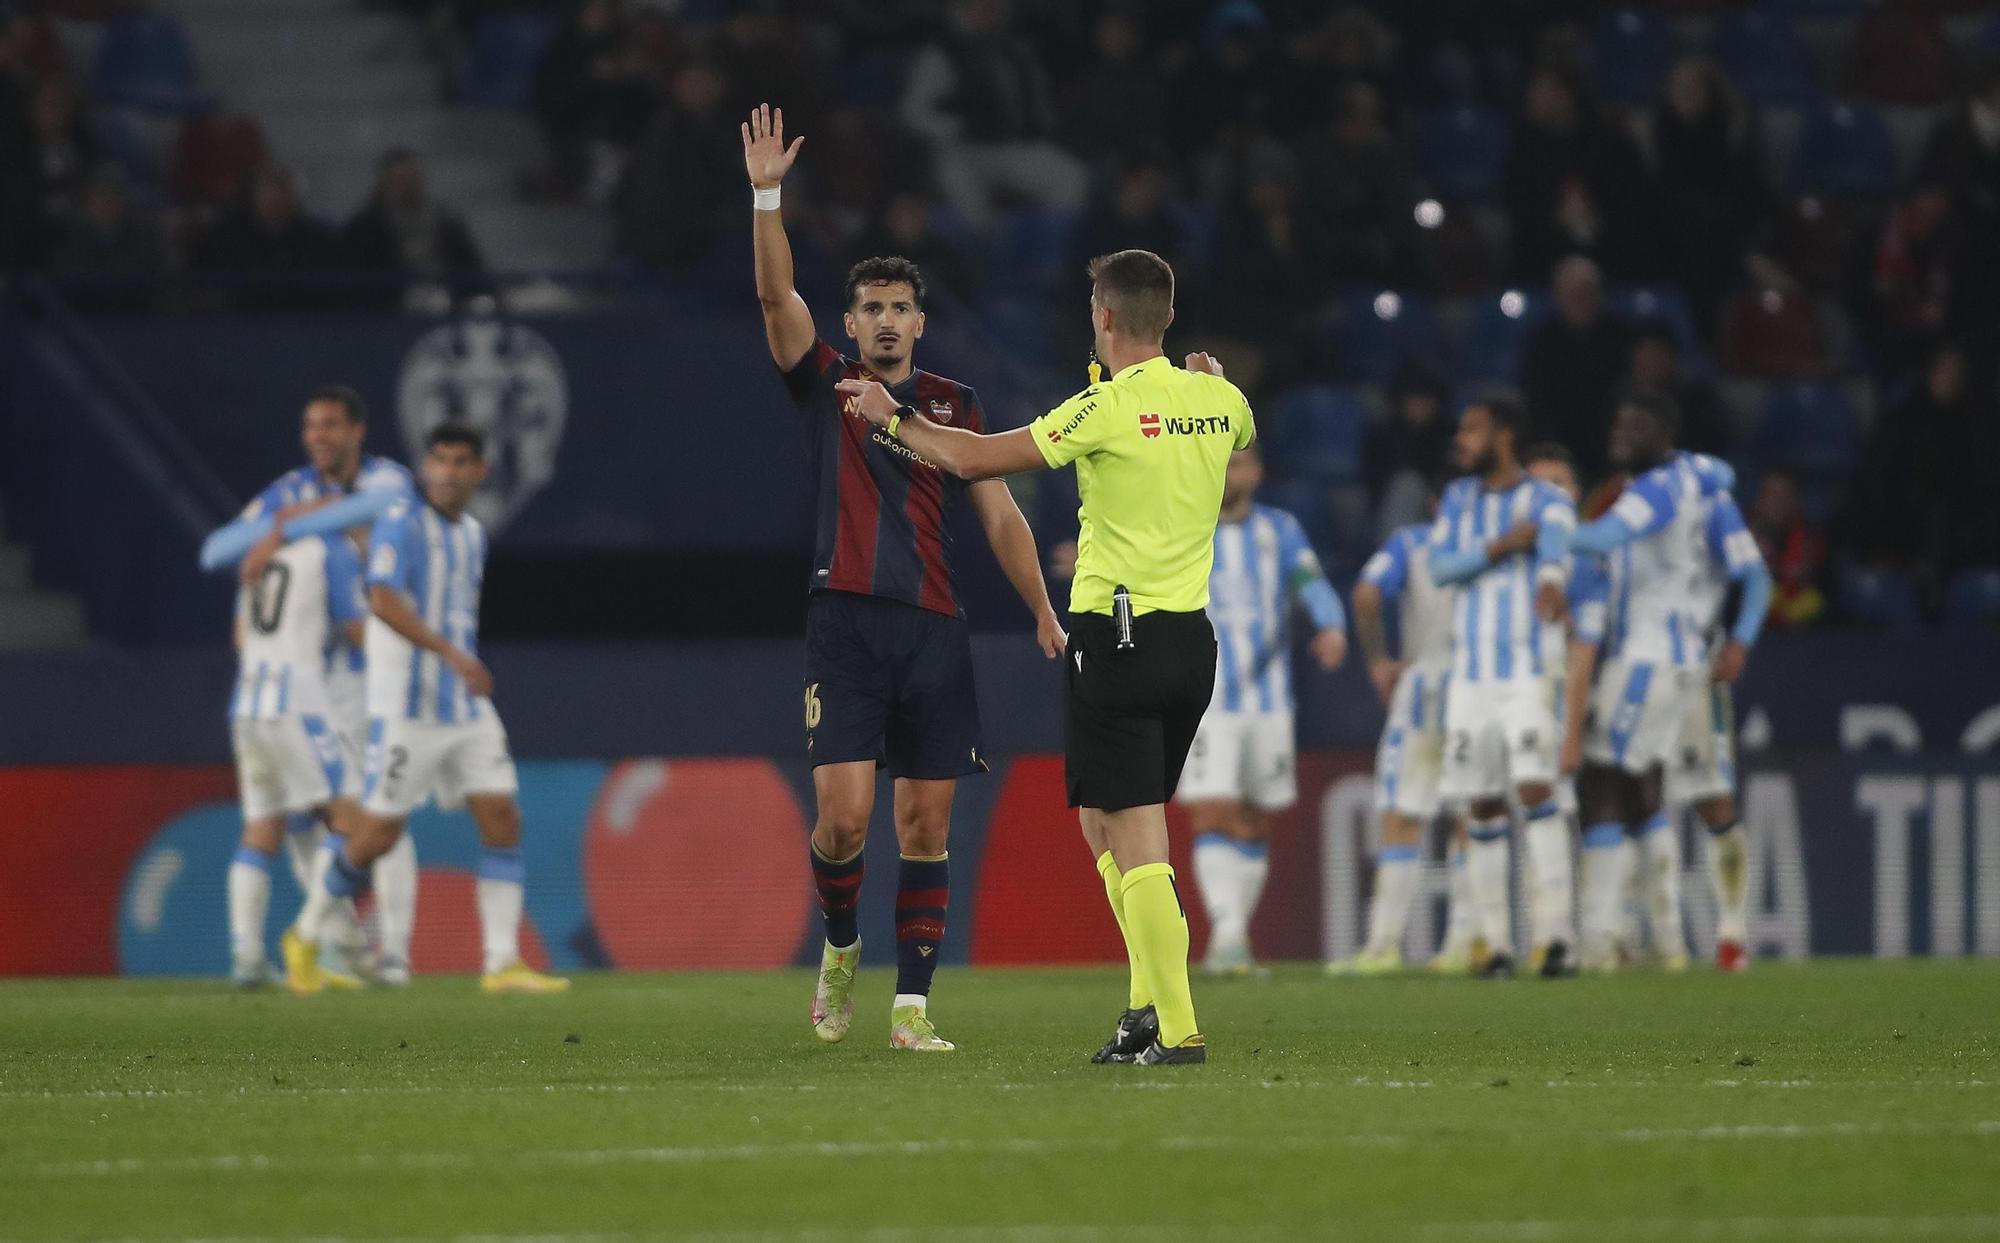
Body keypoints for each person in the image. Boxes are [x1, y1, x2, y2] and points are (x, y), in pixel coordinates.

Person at [837, 247, 1252, 1066]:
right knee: (1104, 819)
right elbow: (1237, 420)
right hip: (1191, 643)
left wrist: (892, 415)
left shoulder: (1099, 409)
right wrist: (1206, 374)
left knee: (1135, 835)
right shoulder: (1221, 398)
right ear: (1166, 318)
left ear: (1101, 318)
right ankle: (1142, 1007)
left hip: (1118, 637)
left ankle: (1179, 1023)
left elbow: (971, 458)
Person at [742, 104, 1065, 1053]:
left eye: (899, 308)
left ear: (920, 322)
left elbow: (1000, 512)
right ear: (851, 322)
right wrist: (768, 195)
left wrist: (1042, 608)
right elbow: (773, 301)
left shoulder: (955, 408)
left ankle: (913, 1011)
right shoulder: (828, 382)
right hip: (844, 623)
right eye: (870, 308)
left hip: (934, 630)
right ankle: (840, 948)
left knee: (926, 823)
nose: (884, 321)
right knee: (842, 822)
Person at [284, 422, 569, 995]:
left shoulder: (472, 534)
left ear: (479, 472)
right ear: (427, 466)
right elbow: (383, 599)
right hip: (407, 712)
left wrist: (457, 663)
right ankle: (306, 934)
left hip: (463, 707)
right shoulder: (401, 523)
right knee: (378, 836)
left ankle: (501, 962)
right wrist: (448, 654)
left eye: (462, 462)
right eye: (439, 460)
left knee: (502, 817)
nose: (448, 471)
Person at [222, 387, 423, 986]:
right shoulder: (291, 497)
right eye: (311, 426)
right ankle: (335, 943)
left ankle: (392, 951)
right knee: (322, 819)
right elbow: (244, 554)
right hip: (313, 684)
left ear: (359, 430)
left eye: (331, 425)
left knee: (376, 812)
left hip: (363, 682)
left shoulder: (391, 484)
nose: (318, 436)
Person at [1562, 393, 1722, 973]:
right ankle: (1668, 941)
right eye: (1619, 419)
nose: (1622, 430)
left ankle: (1602, 939)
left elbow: (1598, 540)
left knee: (1602, 782)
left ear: (1665, 432)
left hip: (1648, 659)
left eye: (1638, 423)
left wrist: (1544, 530)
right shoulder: (1675, 483)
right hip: (1661, 657)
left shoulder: (1657, 489)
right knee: (1642, 792)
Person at [1176, 446, 1347, 975]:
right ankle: (1227, 935)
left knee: (1253, 817)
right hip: (1204, 699)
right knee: (1212, 807)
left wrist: (1331, 624)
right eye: (1221, 464)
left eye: (1239, 464)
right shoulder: (1184, 526)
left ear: (1257, 472)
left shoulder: (1281, 530)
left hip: (1269, 702)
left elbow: (1311, 583)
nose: (1230, 475)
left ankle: (1234, 939)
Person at [1427, 396, 1576, 980]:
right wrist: (1502, 546)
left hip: (1526, 673)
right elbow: (1439, 569)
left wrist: (1549, 573)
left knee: (1536, 788)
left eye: (1473, 429)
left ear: (1505, 437)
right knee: (1483, 803)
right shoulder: (1460, 500)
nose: (1461, 438)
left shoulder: (1546, 499)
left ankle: (1556, 938)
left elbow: (1559, 537)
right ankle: (1497, 946)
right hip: (1470, 679)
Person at [225, 531, 368, 988]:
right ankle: (315, 943)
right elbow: (356, 627)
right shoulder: (332, 550)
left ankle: (247, 956)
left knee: (262, 828)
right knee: (350, 818)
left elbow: (240, 635)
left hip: (247, 701)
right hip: (297, 700)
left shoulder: (260, 551)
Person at [1336, 484, 1457, 975]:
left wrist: (1378, 659)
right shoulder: (1506, 544)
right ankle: (1468, 944)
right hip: (1488, 687)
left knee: (1403, 812)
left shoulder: (1413, 543)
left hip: (1425, 686)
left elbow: (1366, 591)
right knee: (1477, 814)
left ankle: (1384, 945)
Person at [1662, 474, 1772, 973]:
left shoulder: (1706, 505)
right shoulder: (1615, 507)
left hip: (1693, 672)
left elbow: (1756, 575)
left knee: (1713, 800)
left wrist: (1741, 641)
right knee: (1627, 802)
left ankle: (1731, 933)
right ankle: (1645, 937)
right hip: (1627, 672)